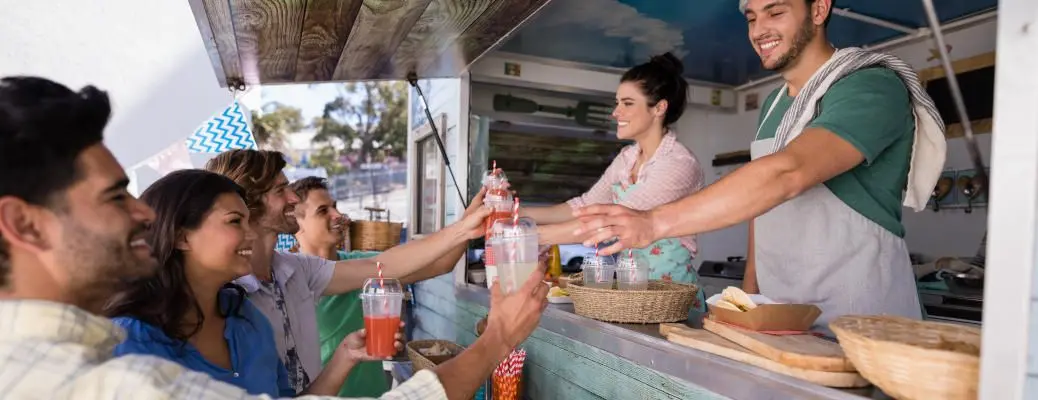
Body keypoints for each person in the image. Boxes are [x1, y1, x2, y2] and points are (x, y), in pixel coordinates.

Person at [0, 75, 549, 399]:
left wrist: (465, 227)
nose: (143, 213)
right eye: (114, 196)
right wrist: (497, 336)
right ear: (24, 224)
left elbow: (402, 265)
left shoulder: (246, 314)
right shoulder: (125, 377)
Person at [572, 0, 946, 334]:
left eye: (776, 11)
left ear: (819, 9)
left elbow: (787, 173)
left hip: (860, 316)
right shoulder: (773, 105)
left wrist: (654, 223)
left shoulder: (870, 85)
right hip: (782, 314)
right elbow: (763, 208)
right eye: (751, 17)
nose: (759, 30)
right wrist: (748, 294)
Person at [205, 149, 491, 393]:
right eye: (281, 190)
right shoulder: (222, 294)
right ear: (247, 204)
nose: (293, 197)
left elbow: (381, 266)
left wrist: (464, 226)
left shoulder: (295, 270)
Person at [103, 170, 400, 397]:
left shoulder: (247, 320)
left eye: (248, 221)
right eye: (235, 222)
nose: (250, 234)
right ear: (181, 236)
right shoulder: (129, 343)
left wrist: (345, 356)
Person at [521, 53, 706, 311]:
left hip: (673, 298)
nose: (615, 112)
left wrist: (528, 236)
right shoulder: (627, 158)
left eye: (627, 103)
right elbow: (585, 206)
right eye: (617, 102)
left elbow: (613, 223)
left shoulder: (678, 164)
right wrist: (517, 212)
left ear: (659, 108)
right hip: (634, 293)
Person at [290, 176, 481, 397]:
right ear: (296, 223)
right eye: (323, 211)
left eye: (335, 206)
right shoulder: (288, 282)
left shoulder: (366, 266)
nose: (337, 215)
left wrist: (470, 222)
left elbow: (441, 263)